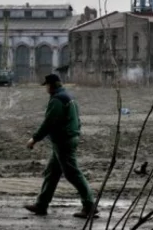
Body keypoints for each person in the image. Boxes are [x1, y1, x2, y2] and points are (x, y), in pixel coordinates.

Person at [24, 73, 98, 219]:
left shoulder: (57, 100)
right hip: (68, 138)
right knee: (52, 173)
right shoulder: (69, 96)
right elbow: (77, 119)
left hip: (63, 140)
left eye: (47, 85)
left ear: (51, 85)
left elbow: (49, 122)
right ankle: (41, 205)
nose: (46, 88)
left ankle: (89, 206)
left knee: (73, 174)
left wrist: (34, 139)